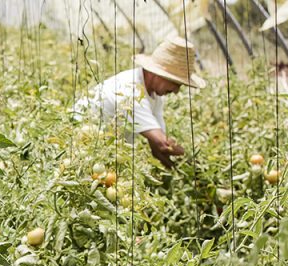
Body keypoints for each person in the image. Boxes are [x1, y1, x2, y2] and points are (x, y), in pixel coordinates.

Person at [72, 36, 205, 168]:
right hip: (76, 143)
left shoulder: (155, 95)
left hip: (99, 151)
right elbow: (163, 144)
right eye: (176, 83)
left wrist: (182, 170)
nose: (176, 91)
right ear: (158, 74)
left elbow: (158, 146)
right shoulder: (131, 91)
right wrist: (193, 160)